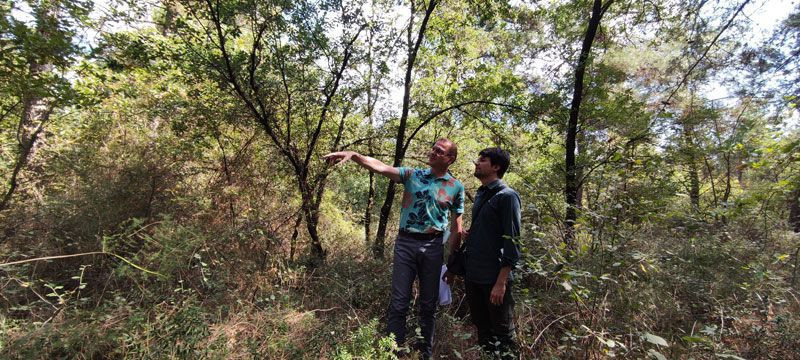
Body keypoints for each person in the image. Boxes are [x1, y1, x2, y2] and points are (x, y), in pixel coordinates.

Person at [324, 139, 465, 359]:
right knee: (399, 302)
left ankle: (424, 353)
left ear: (450, 159)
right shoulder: (412, 175)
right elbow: (381, 167)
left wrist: (454, 263)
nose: (433, 152)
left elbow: (457, 227)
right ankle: (391, 352)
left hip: (433, 247)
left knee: (428, 305)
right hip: (406, 244)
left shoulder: (455, 186)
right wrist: (354, 155)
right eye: (433, 148)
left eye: (440, 151)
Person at [444, 147, 520, 359]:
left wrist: (501, 282)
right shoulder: (481, 193)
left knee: (504, 333)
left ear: (496, 167)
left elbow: (512, 240)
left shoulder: (508, 196)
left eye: (483, 160)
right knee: (483, 329)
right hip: (474, 275)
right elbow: (490, 229)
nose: (477, 163)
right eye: (478, 159)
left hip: (494, 278)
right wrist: (473, 234)